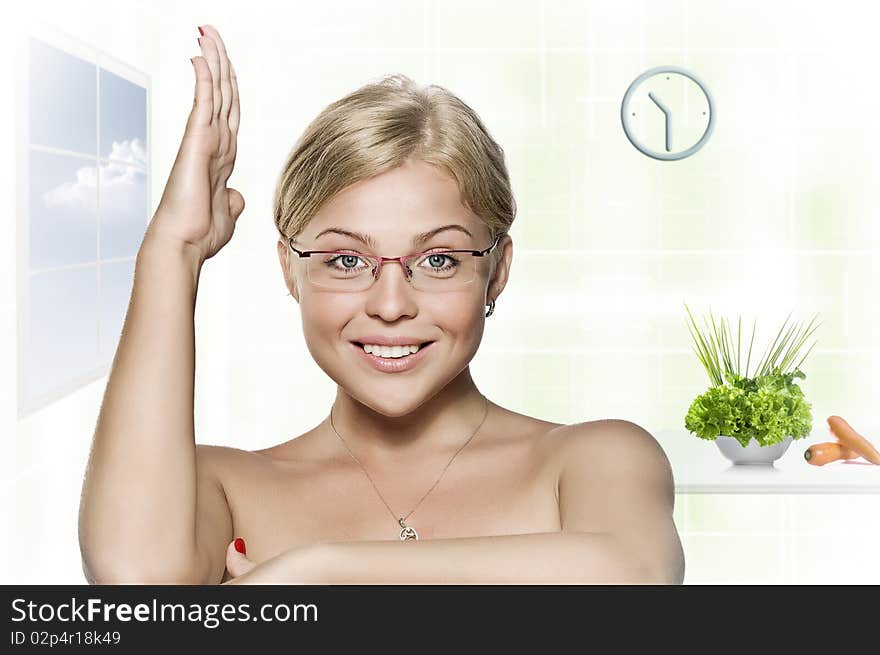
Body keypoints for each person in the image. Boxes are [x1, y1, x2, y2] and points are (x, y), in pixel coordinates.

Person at [78, 25, 684, 585]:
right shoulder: (220, 486)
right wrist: (173, 253)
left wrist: (320, 571)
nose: (391, 305)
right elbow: (136, 589)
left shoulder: (592, 460)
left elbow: (634, 577)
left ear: (496, 270)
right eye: (346, 260)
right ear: (291, 268)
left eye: (438, 259)